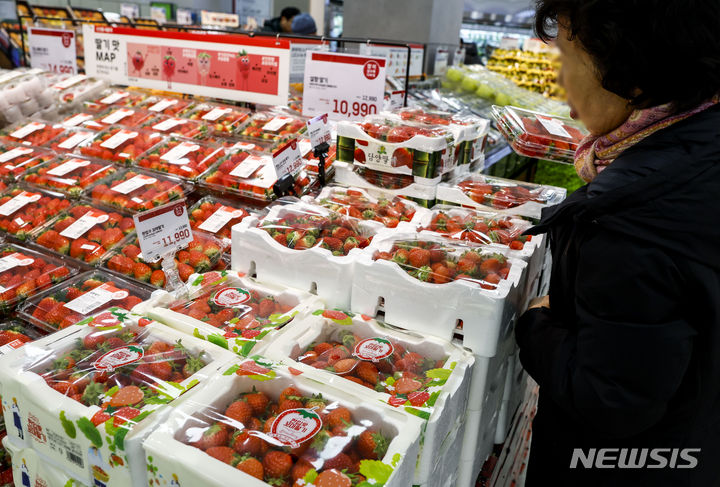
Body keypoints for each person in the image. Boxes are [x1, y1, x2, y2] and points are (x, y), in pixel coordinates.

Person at [514, 1, 720, 486]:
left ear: (631, 72)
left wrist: (536, 323)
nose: (560, 81)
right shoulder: (700, 151)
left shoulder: (633, 217)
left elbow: (610, 398)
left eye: (567, 59)